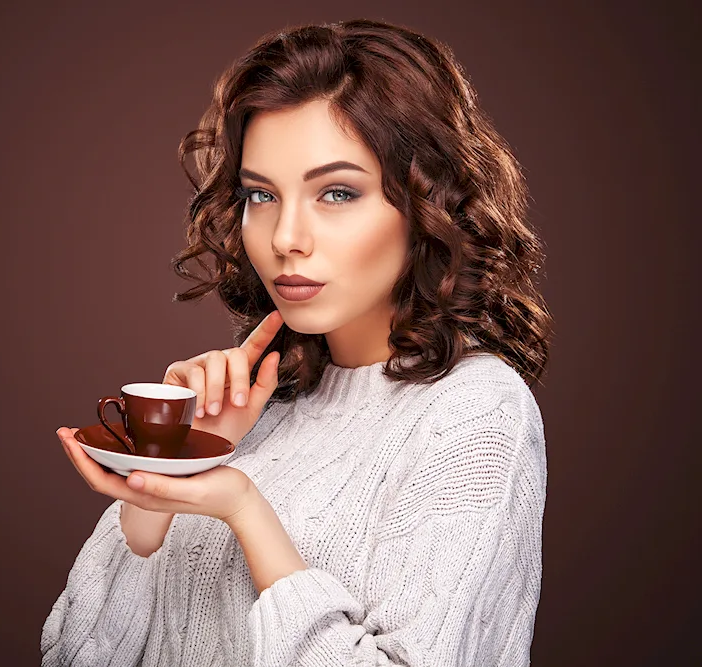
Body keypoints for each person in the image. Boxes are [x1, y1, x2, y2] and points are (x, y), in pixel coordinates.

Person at [42, 17, 553, 667]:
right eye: (261, 194)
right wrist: (158, 491)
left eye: (336, 192)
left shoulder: (475, 411)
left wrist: (245, 509)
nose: (286, 236)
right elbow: (72, 655)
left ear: (427, 203)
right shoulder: (255, 409)